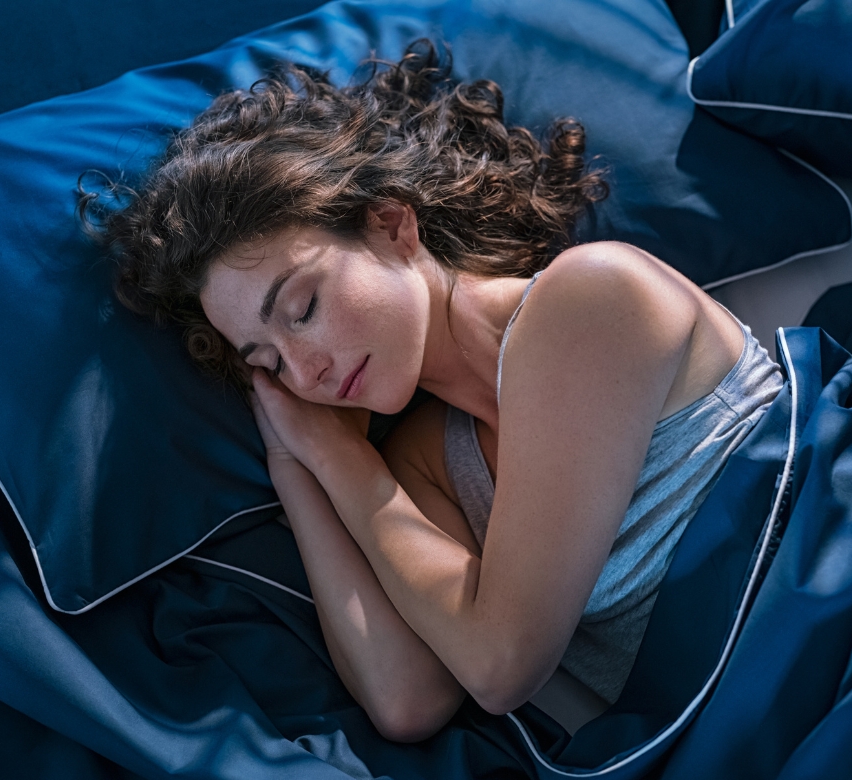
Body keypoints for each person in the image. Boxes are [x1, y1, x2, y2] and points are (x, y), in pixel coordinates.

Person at [80, 42, 782, 743]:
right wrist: (300, 465)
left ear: (392, 226)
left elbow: (500, 665)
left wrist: (344, 464)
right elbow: (407, 699)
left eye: (302, 309)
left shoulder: (591, 297)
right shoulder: (428, 464)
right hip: (778, 733)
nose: (306, 373)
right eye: (266, 362)